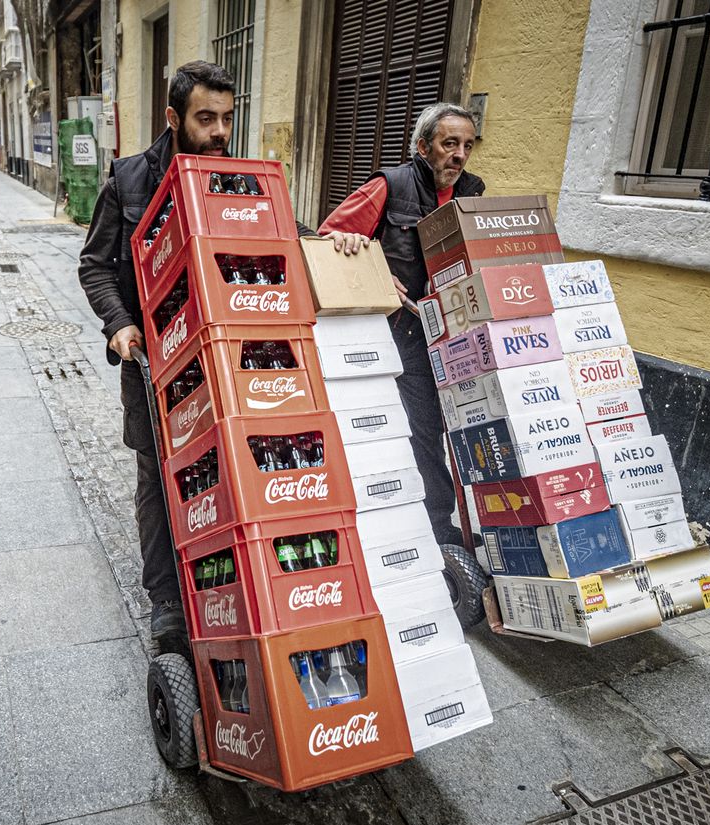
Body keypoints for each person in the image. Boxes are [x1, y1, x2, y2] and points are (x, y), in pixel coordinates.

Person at [78, 61, 343, 656]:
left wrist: (332, 241)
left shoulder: (240, 176)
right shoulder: (128, 181)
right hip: (156, 365)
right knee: (158, 478)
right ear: (173, 118)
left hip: (232, 358)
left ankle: (222, 582)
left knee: (224, 470)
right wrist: (120, 325)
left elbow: (285, 234)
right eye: (206, 118)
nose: (221, 130)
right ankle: (168, 602)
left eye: (227, 117)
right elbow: (94, 265)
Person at [318, 103, 484, 619]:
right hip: (398, 333)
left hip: (452, 332)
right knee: (416, 429)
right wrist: (369, 262)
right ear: (422, 146)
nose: (458, 155)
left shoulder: (472, 193)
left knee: (444, 431)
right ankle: (433, 528)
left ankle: (440, 525)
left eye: (466, 146)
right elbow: (326, 238)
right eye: (448, 144)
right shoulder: (389, 185)